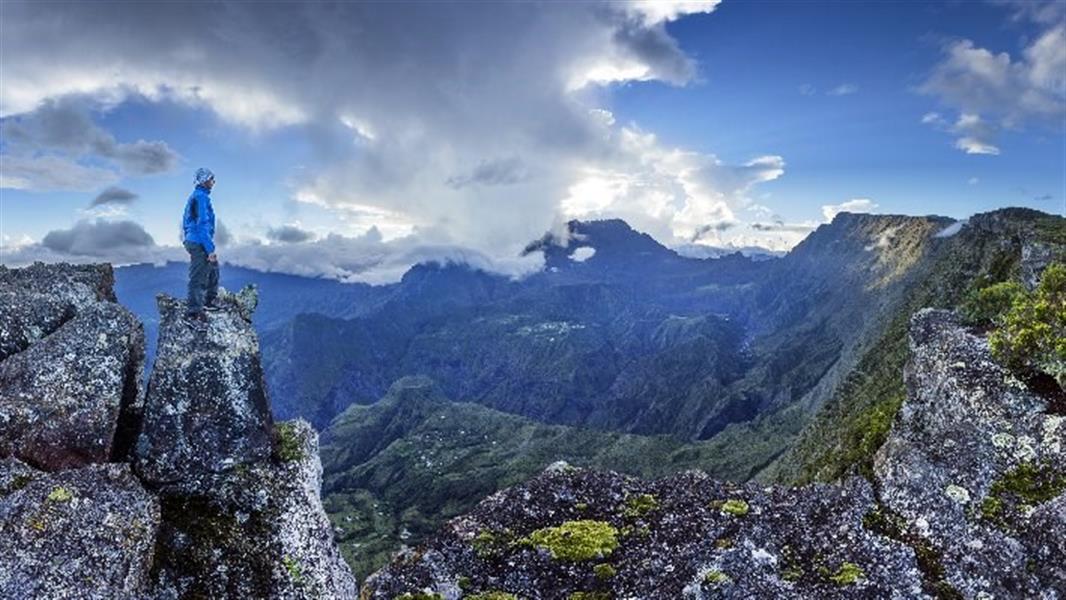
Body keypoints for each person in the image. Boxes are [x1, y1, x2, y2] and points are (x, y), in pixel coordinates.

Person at [182, 167, 220, 329]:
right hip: (199, 241)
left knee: (213, 268)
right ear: (205, 180)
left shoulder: (198, 196)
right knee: (198, 276)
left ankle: (209, 301)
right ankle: (193, 313)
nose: (213, 182)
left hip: (195, 239)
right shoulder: (201, 198)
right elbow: (203, 224)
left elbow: (187, 223)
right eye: (212, 179)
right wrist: (209, 249)